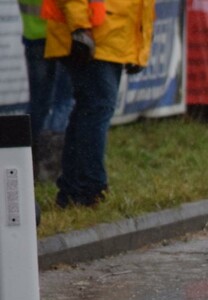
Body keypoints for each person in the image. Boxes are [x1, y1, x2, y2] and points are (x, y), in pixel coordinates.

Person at [41, 0, 155, 208]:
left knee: (89, 111)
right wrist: (80, 28)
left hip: (109, 38)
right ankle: (89, 189)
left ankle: (75, 190)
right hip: (95, 37)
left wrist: (139, 45)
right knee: (96, 110)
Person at [17, 0, 74, 181]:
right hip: (63, 35)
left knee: (39, 103)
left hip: (34, 35)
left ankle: (25, 161)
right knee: (63, 100)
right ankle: (51, 167)